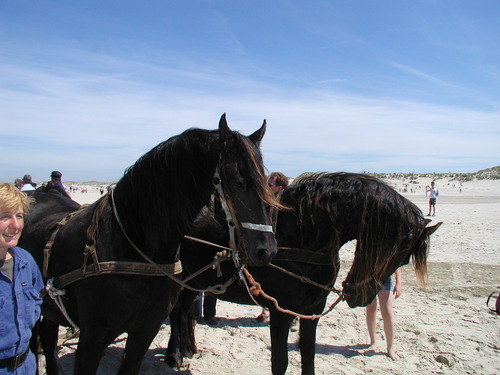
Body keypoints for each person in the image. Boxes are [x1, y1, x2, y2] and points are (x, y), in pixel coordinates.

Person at [0, 183, 44, 373]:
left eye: (19, 216)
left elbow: (38, 298)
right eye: (4, 217)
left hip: (25, 364)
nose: (16, 225)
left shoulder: (25, 261)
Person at [256, 173, 296, 328]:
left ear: (279, 188)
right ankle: (265, 311)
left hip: (283, 249)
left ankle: (293, 317)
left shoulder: (285, 204)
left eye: (270, 185)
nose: (267, 186)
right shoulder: (266, 201)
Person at [365, 268, 402, 360]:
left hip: (385, 278)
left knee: (387, 311)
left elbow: (396, 263)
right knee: (370, 309)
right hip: (368, 278)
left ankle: (390, 348)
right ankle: (373, 342)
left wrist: (398, 283)